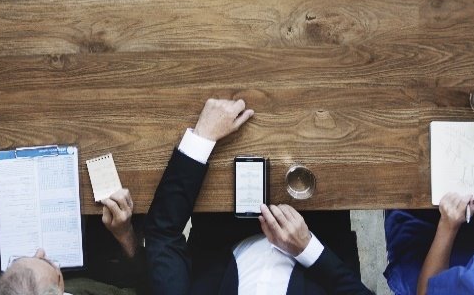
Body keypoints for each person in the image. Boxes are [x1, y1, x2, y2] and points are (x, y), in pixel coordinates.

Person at [145, 98, 372, 294]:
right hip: (319, 216)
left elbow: (164, 233)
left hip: (222, 216)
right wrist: (307, 248)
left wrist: (202, 137)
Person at [0, 188, 148, 294]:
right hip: (108, 276)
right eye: (44, 261)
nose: (40, 251)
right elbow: (146, 285)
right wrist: (126, 235)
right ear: (60, 286)